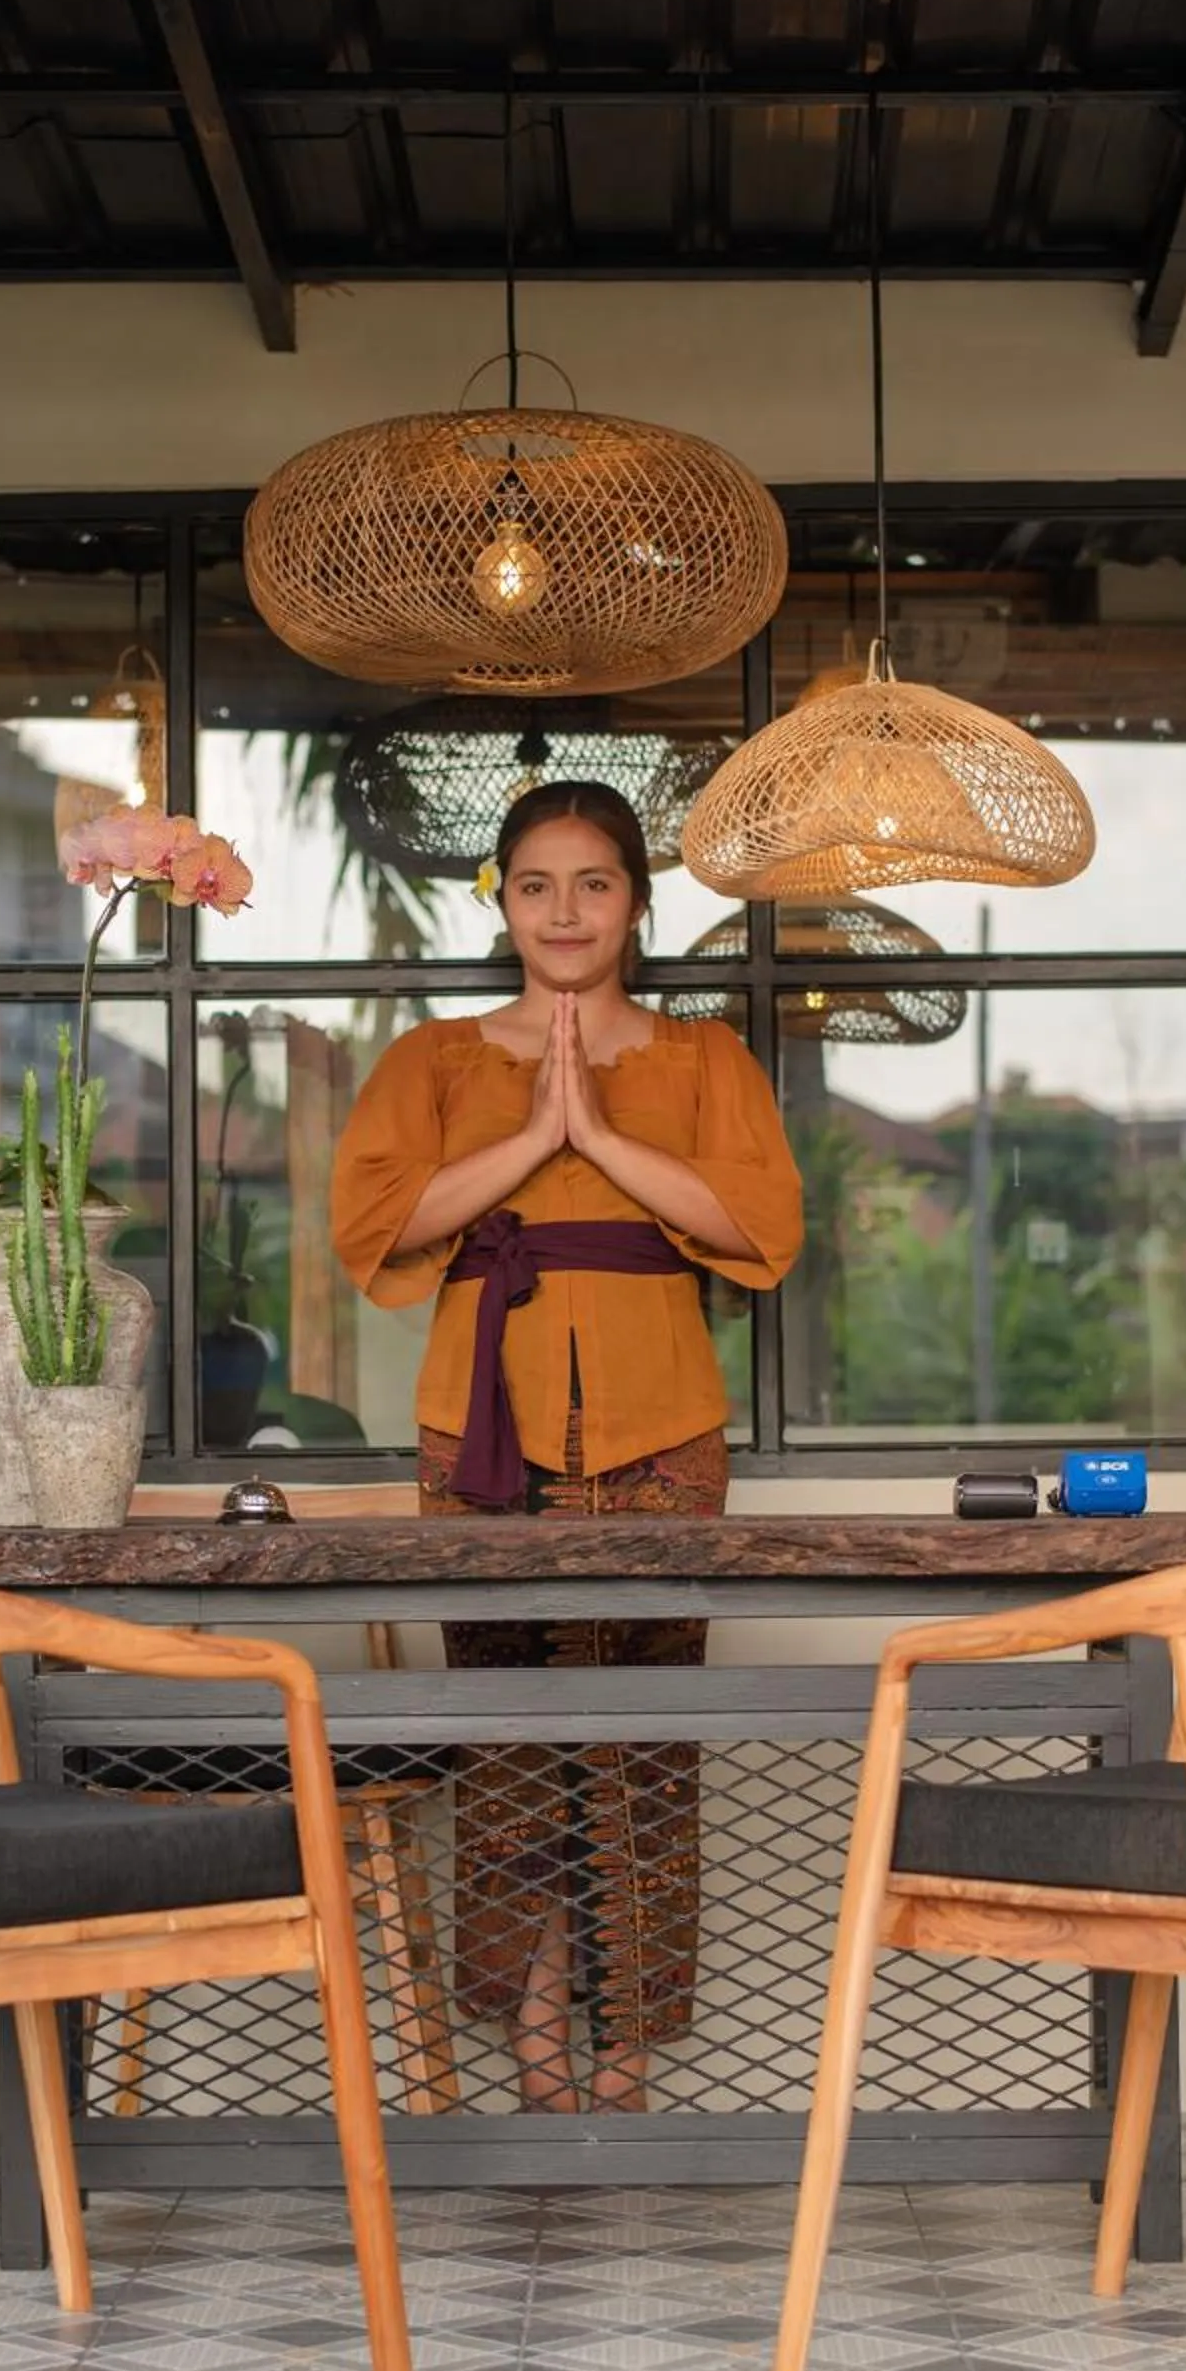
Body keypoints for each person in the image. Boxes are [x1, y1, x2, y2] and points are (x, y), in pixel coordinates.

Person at [330, 779, 803, 2113]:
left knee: (644, 1745)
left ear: (637, 902)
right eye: (533, 884)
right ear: (502, 903)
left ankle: (626, 2056)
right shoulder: (427, 1063)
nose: (563, 911)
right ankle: (539, 2053)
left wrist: (595, 1132)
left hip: (663, 1429)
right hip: (476, 1435)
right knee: (507, 1745)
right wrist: (535, 1134)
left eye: (592, 882)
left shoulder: (705, 1061)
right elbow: (375, 1226)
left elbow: (761, 1228)